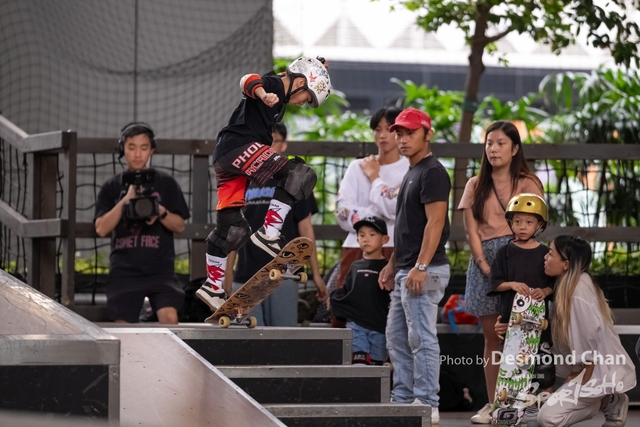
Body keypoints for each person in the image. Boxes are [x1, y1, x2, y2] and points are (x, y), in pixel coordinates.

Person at [195, 57, 331, 312]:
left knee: (232, 229)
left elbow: (289, 70)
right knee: (300, 175)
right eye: (307, 97)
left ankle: (212, 286)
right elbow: (248, 79)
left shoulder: (283, 81)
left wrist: (319, 63)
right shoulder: (274, 86)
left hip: (226, 159)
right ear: (300, 83)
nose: (303, 103)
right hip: (240, 148)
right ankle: (269, 234)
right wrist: (262, 93)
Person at [457, 121, 544, 424]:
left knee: (520, 335)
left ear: (515, 148)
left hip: (519, 257)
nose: (493, 149)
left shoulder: (528, 182)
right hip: (484, 263)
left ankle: (519, 403)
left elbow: (536, 225)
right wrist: (484, 265)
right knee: (492, 338)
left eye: (501, 143)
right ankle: (495, 404)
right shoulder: (474, 184)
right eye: (489, 143)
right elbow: (470, 232)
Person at [378, 108, 451, 424]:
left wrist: (421, 266)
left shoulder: (433, 171)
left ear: (428, 134)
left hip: (427, 268)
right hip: (407, 269)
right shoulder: (412, 171)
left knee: (421, 337)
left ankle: (426, 402)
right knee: (396, 337)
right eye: (400, 133)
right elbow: (405, 227)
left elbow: (435, 223)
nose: (402, 139)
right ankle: (404, 399)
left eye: (410, 132)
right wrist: (393, 264)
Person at [222, 123, 327, 326]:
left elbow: (306, 230)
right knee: (249, 337)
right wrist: (227, 275)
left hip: (285, 272)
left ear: (283, 145)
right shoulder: (242, 181)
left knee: (283, 335)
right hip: (245, 275)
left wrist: (316, 274)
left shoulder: (297, 178)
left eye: (272, 140)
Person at [94, 122, 190, 324]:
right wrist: (125, 201)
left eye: (143, 148)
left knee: (170, 318)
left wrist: (160, 212)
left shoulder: (165, 183)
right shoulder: (112, 186)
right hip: (124, 271)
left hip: (160, 270)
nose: (137, 154)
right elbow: (101, 228)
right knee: (123, 327)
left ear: (151, 150)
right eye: (131, 147)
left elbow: (180, 226)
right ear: (123, 149)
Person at [537, 235, 636, 427]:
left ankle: (607, 400)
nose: (545, 257)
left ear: (565, 264)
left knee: (546, 418)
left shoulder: (577, 292)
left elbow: (590, 334)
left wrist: (585, 375)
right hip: (578, 362)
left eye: (550, 253)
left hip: (595, 369)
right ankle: (606, 400)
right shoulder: (569, 283)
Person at [489, 193, 556, 424]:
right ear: (510, 222)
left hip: (540, 324)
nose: (522, 227)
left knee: (543, 367)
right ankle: (512, 413)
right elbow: (495, 283)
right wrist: (512, 284)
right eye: (517, 221)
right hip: (512, 323)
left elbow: (554, 285)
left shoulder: (545, 253)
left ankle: (544, 412)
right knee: (513, 371)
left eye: (529, 222)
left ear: (539, 225)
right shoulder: (504, 252)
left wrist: (545, 291)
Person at [334, 107, 409, 290]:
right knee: (345, 304)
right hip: (355, 246)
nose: (382, 135)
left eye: (389, 129)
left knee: (388, 307)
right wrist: (380, 209)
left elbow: (395, 208)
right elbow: (342, 213)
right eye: (377, 129)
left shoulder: (408, 168)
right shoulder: (357, 167)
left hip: (392, 246)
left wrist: (374, 177)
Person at [330, 216, 391, 365]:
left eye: (372, 234)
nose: (366, 239)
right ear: (357, 240)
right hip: (356, 326)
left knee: (377, 368)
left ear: (385, 239)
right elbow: (347, 291)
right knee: (359, 364)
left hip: (380, 327)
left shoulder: (389, 268)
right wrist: (333, 299)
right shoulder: (354, 266)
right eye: (361, 235)